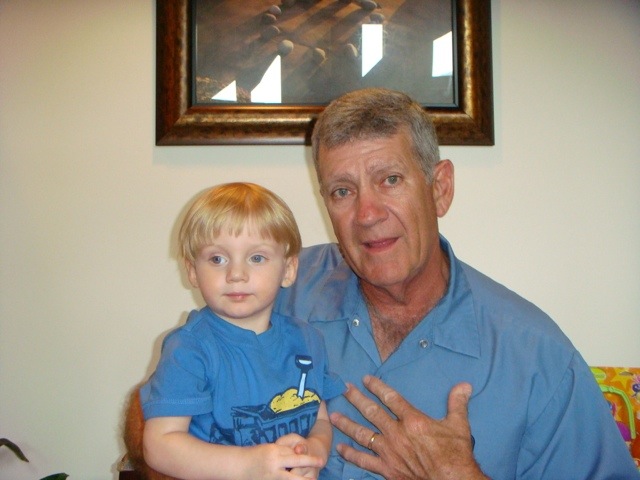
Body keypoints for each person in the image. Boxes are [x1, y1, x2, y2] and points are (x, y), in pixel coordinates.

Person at [270, 88, 640, 479]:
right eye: (342, 191)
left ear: (440, 188)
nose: (367, 214)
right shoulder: (275, 293)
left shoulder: (535, 357)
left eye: (390, 180)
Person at [131, 182, 345, 480]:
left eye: (256, 258)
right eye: (217, 259)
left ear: (288, 269)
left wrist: (315, 450)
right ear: (192, 270)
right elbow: (160, 445)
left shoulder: (308, 341)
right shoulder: (189, 349)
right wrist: (249, 466)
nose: (236, 274)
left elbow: (319, 419)